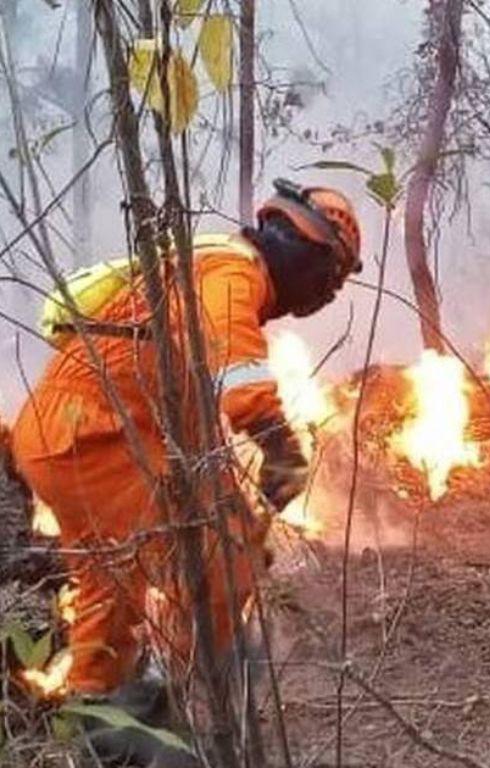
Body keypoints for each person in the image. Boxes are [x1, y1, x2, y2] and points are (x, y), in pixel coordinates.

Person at [10, 179, 361, 766]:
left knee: (114, 588)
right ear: (309, 252)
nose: (328, 294)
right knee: (218, 550)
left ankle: (114, 716)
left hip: (67, 436)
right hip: (94, 437)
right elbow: (236, 362)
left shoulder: (198, 262)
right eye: (334, 275)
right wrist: (278, 444)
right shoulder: (234, 270)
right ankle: (187, 703)